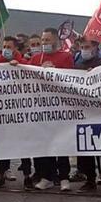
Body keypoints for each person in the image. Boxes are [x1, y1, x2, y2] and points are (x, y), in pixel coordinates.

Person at [0, 31, 33, 189]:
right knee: (3, 144)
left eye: (9, 47)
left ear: (16, 48)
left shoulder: (24, 63)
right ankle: (0, 174)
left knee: (23, 145)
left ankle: (27, 175)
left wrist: (21, 65)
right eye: (4, 46)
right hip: (2, 113)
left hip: (20, 112)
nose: (5, 49)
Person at [31, 27, 75, 191]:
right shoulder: (36, 58)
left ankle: (64, 177)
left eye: (47, 40)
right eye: (43, 40)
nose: (44, 43)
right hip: (40, 108)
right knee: (44, 144)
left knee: (61, 143)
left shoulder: (65, 56)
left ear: (56, 40)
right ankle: (46, 176)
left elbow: (71, 78)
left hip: (59, 107)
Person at [74, 39, 101, 193]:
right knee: (86, 147)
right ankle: (90, 180)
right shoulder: (77, 60)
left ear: (96, 47)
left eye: (87, 47)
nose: (84, 50)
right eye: (82, 47)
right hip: (83, 110)